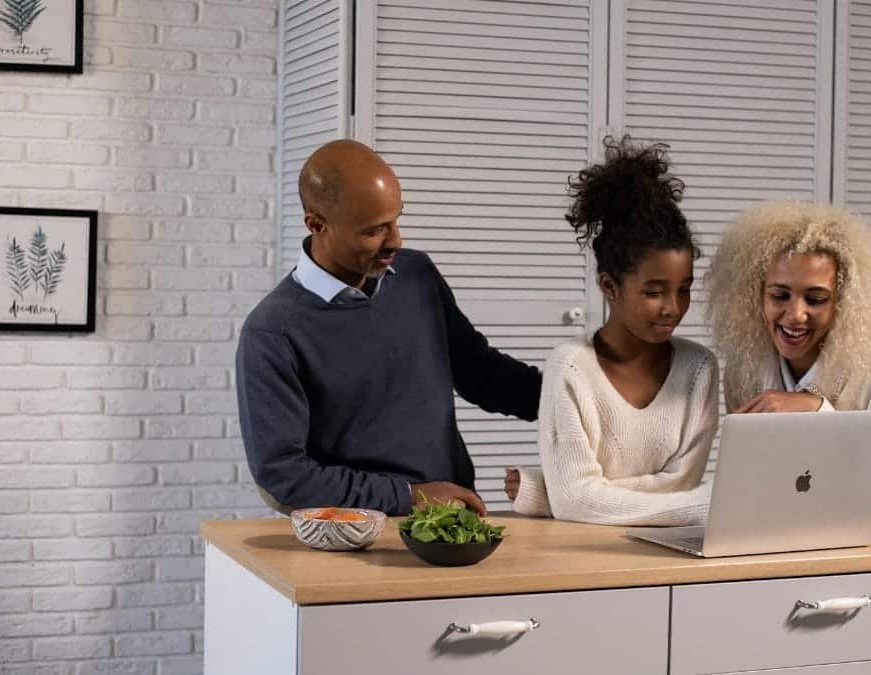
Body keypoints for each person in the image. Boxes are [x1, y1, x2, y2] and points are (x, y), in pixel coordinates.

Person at [236, 139, 542, 516]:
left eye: (396, 219)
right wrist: (412, 496)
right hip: (356, 538)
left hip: (454, 522)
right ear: (317, 224)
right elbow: (284, 476)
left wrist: (579, 396)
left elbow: (480, 373)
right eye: (374, 231)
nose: (395, 240)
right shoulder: (272, 333)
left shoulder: (417, 276)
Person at [505, 137, 718, 526]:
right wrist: (704, 505)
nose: (673, 307)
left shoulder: (699, 369)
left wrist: (554, 494)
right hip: (582, 559)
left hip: (667, 556)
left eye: (684, 289)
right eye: (654, 291)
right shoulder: (569, 367)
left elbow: (679, 485)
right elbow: (581, 502)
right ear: (609, 286)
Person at [705, 199, 871, 534]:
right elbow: (755, 480)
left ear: (842, 301)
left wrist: (817, 409)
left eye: (816, 299)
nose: (795, 315)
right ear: (756, 294)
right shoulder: (745, 367)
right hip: (790, 537)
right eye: (779, 295)